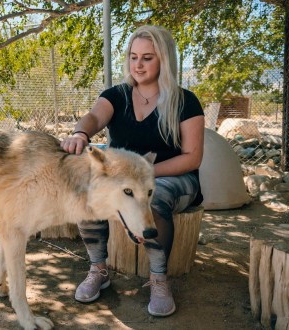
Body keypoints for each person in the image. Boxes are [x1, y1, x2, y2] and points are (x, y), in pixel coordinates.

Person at [60, 25, 205, 317]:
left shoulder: (186, 101)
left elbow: (192, 158)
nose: (138, 65)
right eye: (133, 57)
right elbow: (93, 116)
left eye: (147, 58)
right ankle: (98, 269)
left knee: (153, 198)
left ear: (164, 59)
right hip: (123, 179)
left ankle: (158, 279)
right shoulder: (117, 95)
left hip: (173, 176)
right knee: (86, 193)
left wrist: (145, 173)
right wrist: (80, 134)